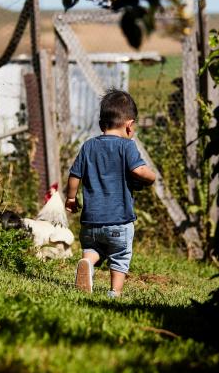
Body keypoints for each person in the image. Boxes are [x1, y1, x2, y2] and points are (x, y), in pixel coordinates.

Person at [65, 89, 156, 298]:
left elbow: (74, 175)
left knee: (93, 248)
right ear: (129, 126)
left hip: (90, 221)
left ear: (101, 124)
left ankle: (87, 263)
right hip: (119, 220)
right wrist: (151, 177)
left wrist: (71, 198)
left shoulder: (88, 146)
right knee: (120, 255)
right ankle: (115, 292)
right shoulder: (127, 146)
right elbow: (138, 170)